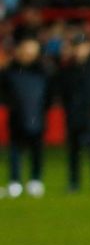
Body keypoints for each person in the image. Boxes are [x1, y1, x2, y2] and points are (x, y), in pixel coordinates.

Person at [56, 29, 90, 193]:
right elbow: (63, 91)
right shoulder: (67, 68)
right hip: (73, 114)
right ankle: (74, 182)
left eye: (82, 46)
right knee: (73, 151)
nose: (80, 50)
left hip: (89, 114)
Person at [4, 34, 50, 198]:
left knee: (36, 150)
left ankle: (35, 180)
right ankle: (15, 181)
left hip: (37, 116)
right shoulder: (10, 71)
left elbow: (49, 95)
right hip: (17, 117)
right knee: (16, 150)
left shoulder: (43, 71)